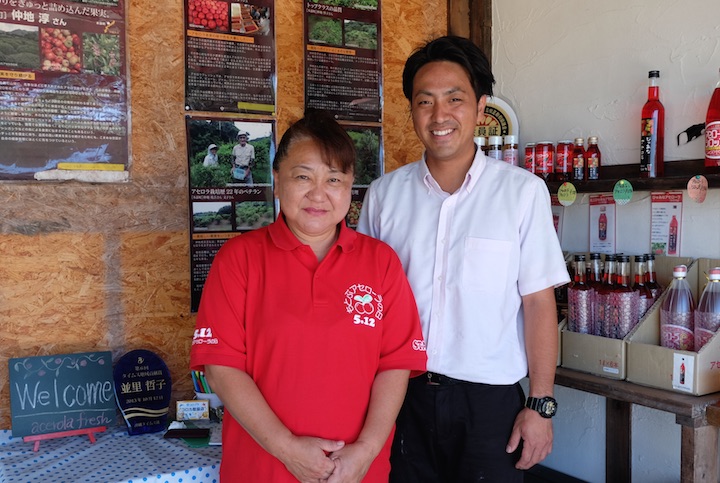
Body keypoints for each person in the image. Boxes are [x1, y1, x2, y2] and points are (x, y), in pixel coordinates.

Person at [357, 36, 570, 482]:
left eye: (455, 99)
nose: (440, 116)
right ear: (412, 110)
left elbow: (538, 303)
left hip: (489, 406)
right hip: (400, 397)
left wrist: (541, 404)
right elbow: (365, 303)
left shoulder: (521, 193)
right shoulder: (384, 196)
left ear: (480, 107)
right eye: (425, 101)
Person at [190, 109, 427, 482]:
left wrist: (365, 452)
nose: (319, 194)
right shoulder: (239, 259)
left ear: (350, 186)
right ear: (278, 178)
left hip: (357, 472)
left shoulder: (380, 262)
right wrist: (287, 449)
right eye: (303, 176)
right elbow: (222, 370)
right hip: (261, 469)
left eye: (334, 179)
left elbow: (395, 365)